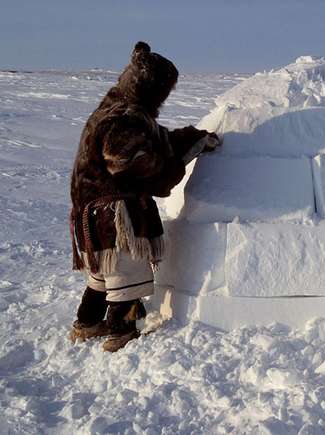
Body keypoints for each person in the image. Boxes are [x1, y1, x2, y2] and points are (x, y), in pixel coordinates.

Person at [68, 41, 220, 352]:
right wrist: (172, 166)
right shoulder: (126, 116)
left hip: (93, 210)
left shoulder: (116, 107)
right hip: (114, 214)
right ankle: (120, 330)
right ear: (152, 89)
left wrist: (191, 138)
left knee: (104, 271)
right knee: (127, 270)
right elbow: (129, 161)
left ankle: (87, 322)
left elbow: (155, 140)